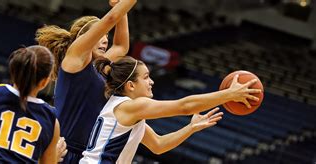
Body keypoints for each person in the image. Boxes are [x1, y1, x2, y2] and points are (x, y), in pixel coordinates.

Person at [79, 56, 262, 163]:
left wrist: (190, 128)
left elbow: (158, 146)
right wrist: (229, 95)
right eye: (146, 77)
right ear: (131, 86)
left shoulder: (129, 112)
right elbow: (184, 106)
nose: (151, 82)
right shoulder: (131, 107)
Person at [36, 0, 136, 162]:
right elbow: (110, 19)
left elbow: (121, 46)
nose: (105, 40)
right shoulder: (75, 59)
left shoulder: (98, 68)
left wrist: (120, 8)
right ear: (85, 38)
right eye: (101, 35)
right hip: (62, 149)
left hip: (87, 153)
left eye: (106, 37)